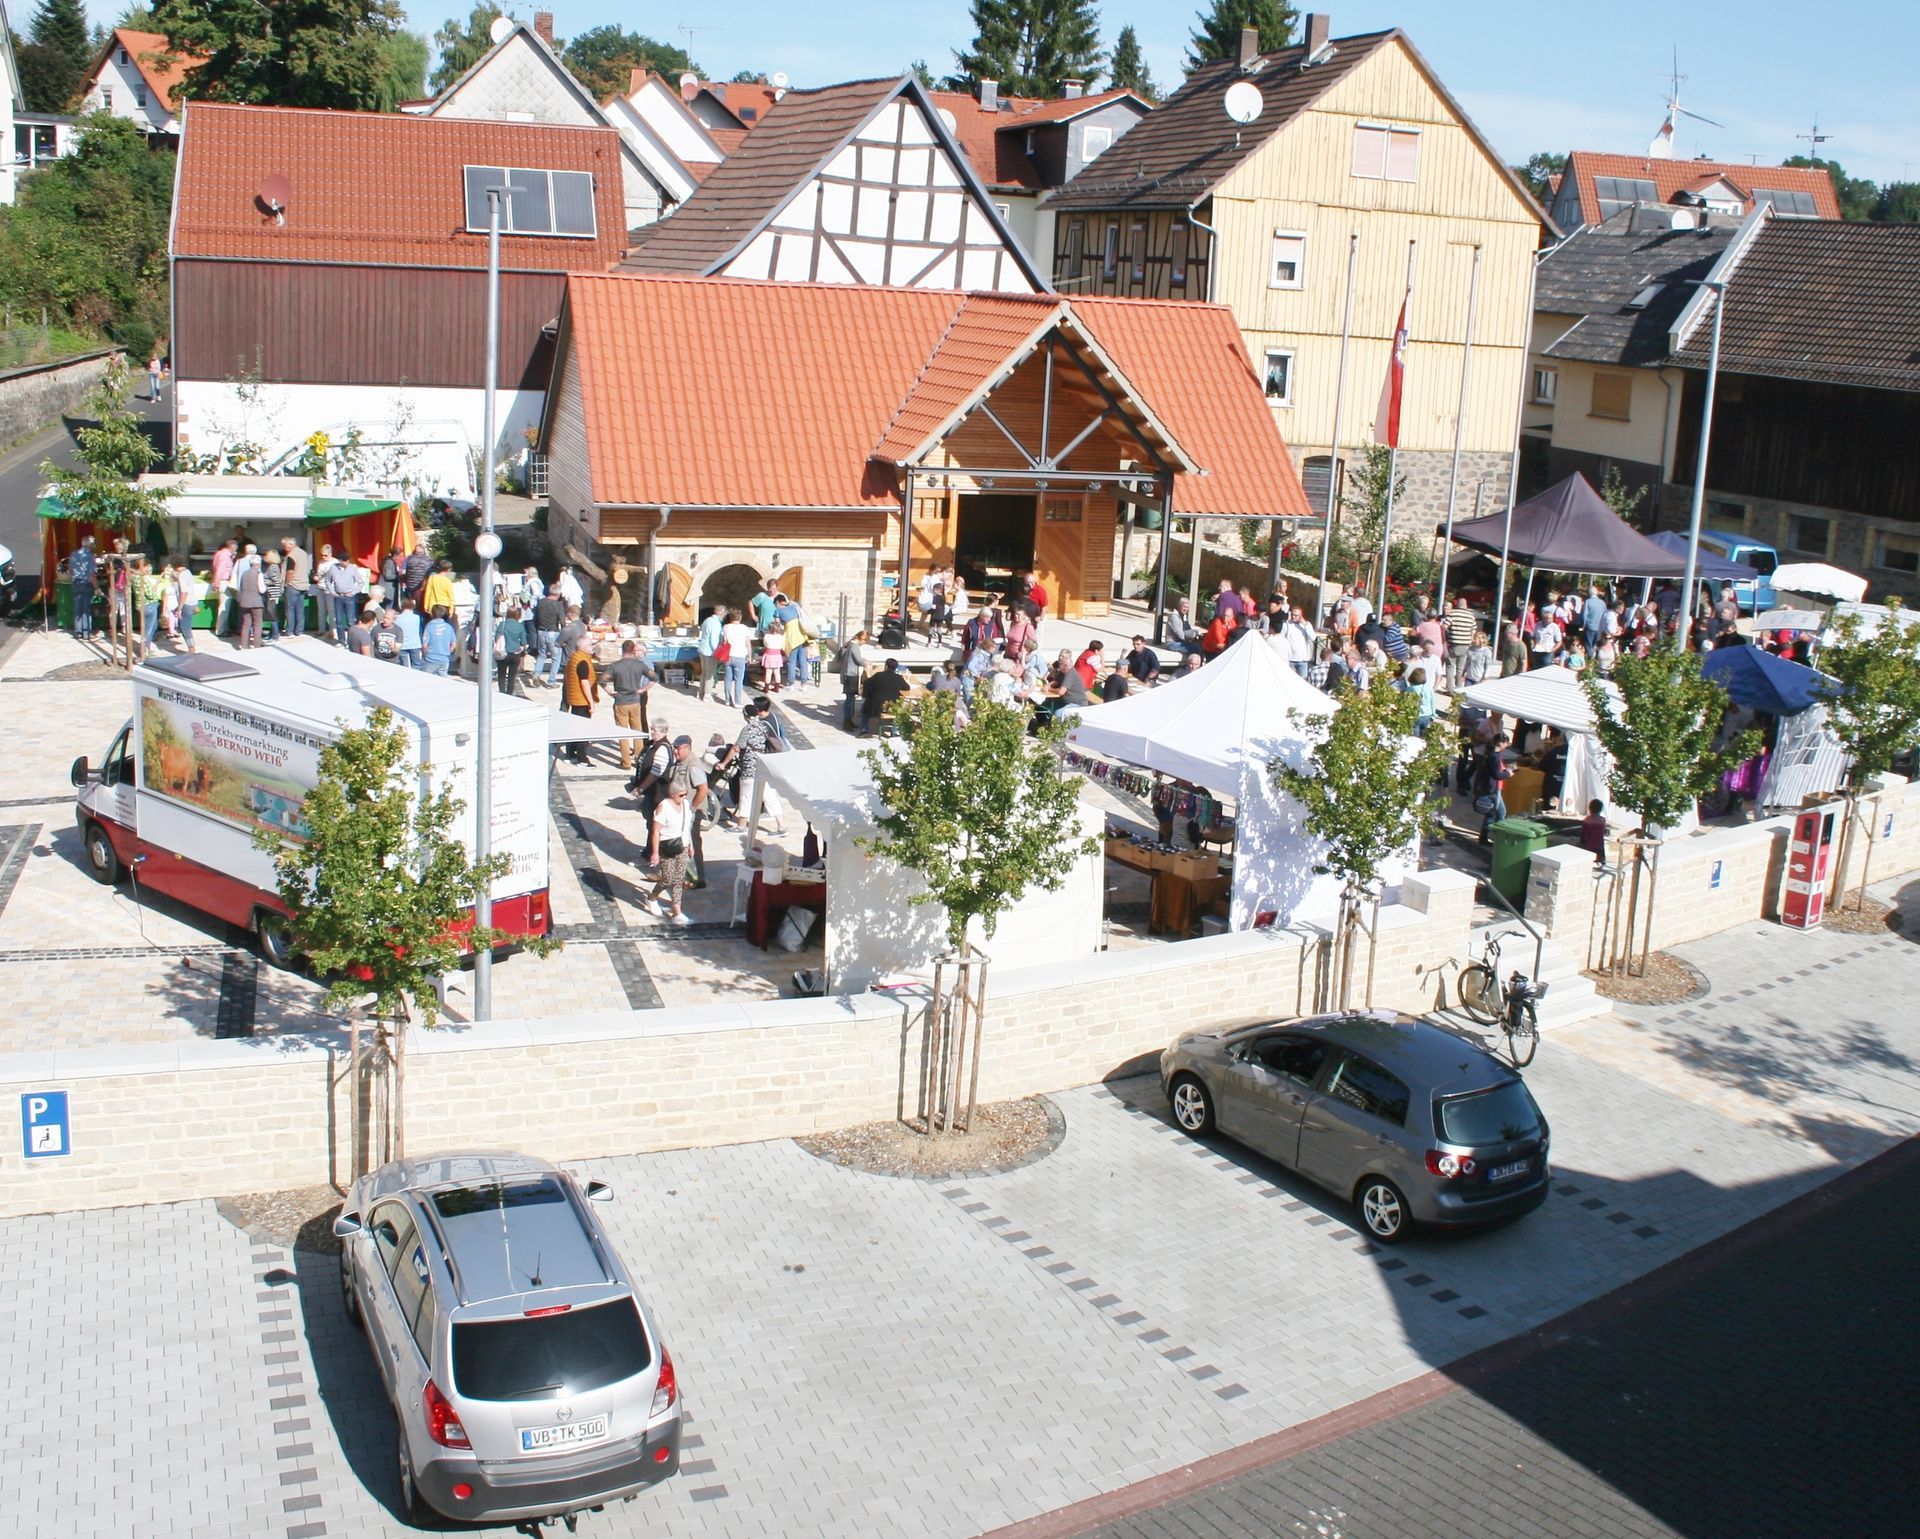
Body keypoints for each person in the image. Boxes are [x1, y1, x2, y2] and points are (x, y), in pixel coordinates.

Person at [717, 698, 787, 843]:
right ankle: (781, 826)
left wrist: (723, 763)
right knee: (769, 796)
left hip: (749, 768)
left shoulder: (747, 729)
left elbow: (736, 748)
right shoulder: (764, 726)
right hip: (763, 766)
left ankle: (741, 825)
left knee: (746, 796)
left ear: (746, 716)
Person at [641, 776, 695, 927]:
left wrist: (690, 844)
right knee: (667, 878)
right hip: (667, 847)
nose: (684, 797)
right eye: (681, 795)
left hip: (683, 845)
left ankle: (677, 911)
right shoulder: (663, 807)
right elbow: (655, 832)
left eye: (686, 794)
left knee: (679, 879)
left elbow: (687, 826)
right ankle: (652, 897)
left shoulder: (685, 804)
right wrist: (655, 853)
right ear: (672, 794)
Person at [606, 641, 655, 767]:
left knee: (622, 732)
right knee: (637, 730)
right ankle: (639, 759)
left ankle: (626, 761)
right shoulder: (639, 665)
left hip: (621, 701)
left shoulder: (615, 665)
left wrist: (610, 692)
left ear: (622, 650)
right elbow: (654, 678)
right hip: (635, 701)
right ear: (633, 650)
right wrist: (643, 689)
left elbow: (602, 680)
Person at [560, 635, 599, 763]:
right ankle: (582, 758)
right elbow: (584, 683)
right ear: (583, 647)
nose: (593, 647)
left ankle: (570, 754)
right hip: (581, 700)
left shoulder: (574, 657)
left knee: (574, 727)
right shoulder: (582, 660)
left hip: (574, 698)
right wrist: (591, 702)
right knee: (583, 729)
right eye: (591, 645)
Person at [1475, 732, 1516, 844]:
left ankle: (1486, 837)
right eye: (1506, 743)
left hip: (1494, 788)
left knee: (1496, 813)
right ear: (1501, 743)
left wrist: (1505, 770)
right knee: (1497, 813)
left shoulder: (1493, 754)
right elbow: (1497, 774)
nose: (1507, 745)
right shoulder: (1495, 756)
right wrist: (1508, 774)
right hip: (1494, 788)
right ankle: (1497, 837)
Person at [629, 718, 674, 812]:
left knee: (652, 816)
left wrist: (640, 789)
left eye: (654, 730)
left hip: (657, 793)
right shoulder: (652, 744)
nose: (651, 732)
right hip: (650, 791)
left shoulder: (662, 749)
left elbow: (655, 774)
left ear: (662, 731)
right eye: (651, 729)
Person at [860, 656, 911, 735]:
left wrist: (866, 695)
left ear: (886, 666)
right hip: (891, 706)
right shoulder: (898, 678)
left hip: (875, 706)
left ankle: (864, 729)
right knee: (897, 709)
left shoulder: (878, 675)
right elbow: (907, 687)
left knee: (864, 710)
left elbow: (866, 683)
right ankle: (894, 731)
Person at [837, 628, 875, 730]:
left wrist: (865, 660)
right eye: (865, 641)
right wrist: (867, 663)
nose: (864, 643)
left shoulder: (851, 645)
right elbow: (858, 660)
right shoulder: (855, 647)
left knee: (850, 699)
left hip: (849, 674)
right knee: (849, 700)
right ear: (861, 639)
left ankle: (849, 720)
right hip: (851, 675)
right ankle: (847, 721)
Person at [323, 554, 363, 643]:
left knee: (351, 621)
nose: (346, 563)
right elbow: (327, 581)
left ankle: (351, 641)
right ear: (339, 560)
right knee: (339, 620)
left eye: (347, 561)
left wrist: (353, 592)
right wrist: (332, 592)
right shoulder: (333, 568)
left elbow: (361, 582)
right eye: (344, 561)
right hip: (338, 596)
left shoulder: (352, 568)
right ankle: (341, 641)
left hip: (349, 597)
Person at [720, 607, 753, 706]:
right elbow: (748, 644)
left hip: (728, 655)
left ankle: (727, 699)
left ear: (730, 618)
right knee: (738, 680)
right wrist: (749, 656)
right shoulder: (745, 628)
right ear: (740, 617)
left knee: (728, 679)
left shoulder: (726, 627)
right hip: (740, 655)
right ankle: (738, 701)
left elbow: (723, 641)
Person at [1442, 598, 1477, 691]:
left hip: (1453, 644)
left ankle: (1450, 688)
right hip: (1465, 645)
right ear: (1466, 605)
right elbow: (1473, 630)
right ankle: (1458, 686)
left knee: (1450, 667)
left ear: (1457, 604)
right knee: (1460, 668)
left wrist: (1448, 635)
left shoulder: (1452, 613)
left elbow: (1444, 627)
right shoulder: (1471, 616)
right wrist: (1470, 639)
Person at [235, 549, 267, 650]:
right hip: (256, 601)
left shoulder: (244, 573)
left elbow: (240, 586)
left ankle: (243, 644)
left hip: (245, 601)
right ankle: (256, 644)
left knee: (246, 624)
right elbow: (262, 589)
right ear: (259, 564)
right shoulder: (259, 574)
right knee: (257, 623)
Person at [280, 538, 310, 639]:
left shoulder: (292, 555)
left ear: (290, 545)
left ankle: (290, 631)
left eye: (285, 546)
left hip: (293, 584)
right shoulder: (304, 553)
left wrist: (286, 583)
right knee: (300, 609)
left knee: (290, 609)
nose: (284, 548)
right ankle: (299, 630)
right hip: (303, 584)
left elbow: (290, 571)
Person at [67, 536, 97, 638]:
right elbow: (92, 575)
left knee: (78, 607)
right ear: (90, 544)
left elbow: (70, 570)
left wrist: (73, 579)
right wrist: (97, 587)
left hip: (76, 583)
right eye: (93, 544)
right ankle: (86, 632)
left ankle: (78, 632)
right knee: (86, 609)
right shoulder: (90, 557)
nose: (94, 546)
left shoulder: (73, 554)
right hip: (86, 583)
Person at [496, 603, 529, 693]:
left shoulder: (502, 624)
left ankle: (502, 692)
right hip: (515, 653)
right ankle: (509, 693)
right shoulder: (520, 626)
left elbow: (497, 638)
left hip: (503, 652)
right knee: (512, 676)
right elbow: (524, 642)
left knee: (501, 675)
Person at [1275, 606, 1316, 676]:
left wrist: (1305, 624)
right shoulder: (1286, 624)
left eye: (1296, 615)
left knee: (1303, 679)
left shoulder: (1306, 625)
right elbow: (1281, 639)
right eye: (1292, 615)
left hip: (1302, 660)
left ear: (1301, 616)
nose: (1293, 617)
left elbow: (1313, 637)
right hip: (1290, 659)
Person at [168, 559, 197, 654]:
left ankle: (191, 649)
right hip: (192, 602)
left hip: (186, 603)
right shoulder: (187, 572)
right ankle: (191, 648)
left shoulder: (181, 575)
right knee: (185, 626)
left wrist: (180, 608)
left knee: (185, 628)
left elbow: (184, 592)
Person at [210, 538, 237, 636]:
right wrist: (216, 583)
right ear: (233, 547)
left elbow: (215, 568)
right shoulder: (226, 557)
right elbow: (220, 570)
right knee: (224, 606)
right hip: (223, 582)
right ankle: (221, 630)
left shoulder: (218, 554)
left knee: (222, 605)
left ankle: (224, 627)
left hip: (220, 581)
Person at [696, 606, 724, 701]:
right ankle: (707, 695)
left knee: (704, 673)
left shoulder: (707, 620)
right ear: (720, 612)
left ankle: (700, 692)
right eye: (724, 614)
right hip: (710, 651)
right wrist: (717, 653)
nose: (724, 616)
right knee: (710, 674)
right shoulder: (715, 623)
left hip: (702, 649)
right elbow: (714, 640)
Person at [421, 605, 455, 675]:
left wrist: (424, 654)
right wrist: (447, 652)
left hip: (431, 659)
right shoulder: (449, 627)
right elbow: (453, 644)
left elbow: (424, 645)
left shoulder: (429, 626)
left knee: (426, 679)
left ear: (432, 614)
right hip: (444, 660)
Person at [259, 550, 285, 641]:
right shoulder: (272, 566)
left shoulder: (273, 567)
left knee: (271, 614)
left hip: (272, 594)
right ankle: (272, 634)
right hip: (270, 593)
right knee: (270, 613)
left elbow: (277, 581)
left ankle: (275, 634)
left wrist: (264, 582)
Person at [395, 602, 423, 668]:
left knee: (405, 665)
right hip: (415, 644)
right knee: (417, 664)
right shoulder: (417, 617)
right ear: (412, 608)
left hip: (402, 644)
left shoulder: (397, 618)